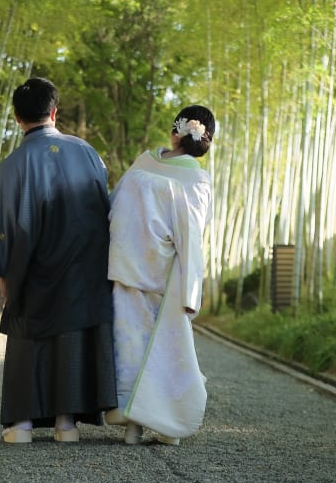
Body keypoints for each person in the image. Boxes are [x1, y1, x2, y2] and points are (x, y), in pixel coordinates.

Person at [0, 77, 117, 444]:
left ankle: (22, 426)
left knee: (29, 337)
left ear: (16, 117)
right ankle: (66, 424)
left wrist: (3, 275)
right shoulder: (88, 153)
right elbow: (103, 209)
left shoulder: (13, 164)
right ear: (54, 112)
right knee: (72, 339)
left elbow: (4, 227)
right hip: (84, 268)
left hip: (34, 265)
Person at [105, 105, 216, 446]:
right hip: (168, 273)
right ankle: (168, 424)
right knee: (168, 347)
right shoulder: (196, 179)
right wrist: (192, 287)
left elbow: (114, 207)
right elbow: (194, 233)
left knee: (131, 346)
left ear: (175, 131)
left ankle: (132, 426)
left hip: (127, 266)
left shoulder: (143, 162)